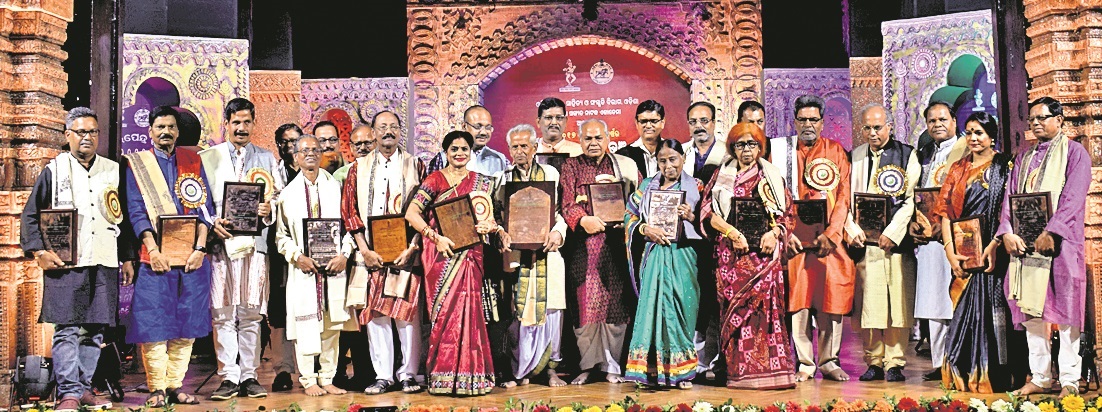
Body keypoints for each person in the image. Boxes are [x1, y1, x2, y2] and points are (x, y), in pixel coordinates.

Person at [20, 107, 133, 411]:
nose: (87, 137)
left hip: (104, 258)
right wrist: (39, 252)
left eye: (93, 132)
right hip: (66, 262)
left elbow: (125, 218)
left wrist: (128, 258)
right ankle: (68, 392)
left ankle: (83, 389)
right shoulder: (54, 170)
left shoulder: (112, 170)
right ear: (67, 135)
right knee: (67, 329)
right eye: (81, 132)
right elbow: (30, 215)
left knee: (95, 330)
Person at [122, 106, 214, 407]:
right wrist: (153, 250)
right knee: (154, 323)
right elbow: (136, 211)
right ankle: (157, 388)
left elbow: (205, 209)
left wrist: (200, 249)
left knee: (188, 323)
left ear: (177, 131)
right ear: (150, 131)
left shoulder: (192, 161)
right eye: (160, 127)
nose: (166, 132)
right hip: (155, 258)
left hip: (191, 259)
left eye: (171, 127)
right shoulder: (138, 165)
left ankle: (175, 384)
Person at [999, 97, 1090, 397]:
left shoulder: (1075, 153)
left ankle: (1070, 380)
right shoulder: (1023, 159)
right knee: (1031, 314)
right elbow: (1009, 200)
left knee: (1066, 313)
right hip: (1025, 248)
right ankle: (1040, 377)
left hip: (1061, 246)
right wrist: (1007, 232)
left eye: (1043, 117)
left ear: (1059, 120)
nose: (1036, 123)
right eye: (1032, 119)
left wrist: (1052, 232)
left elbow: (1073, 199)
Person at [700, 122, 796, 389]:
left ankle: (771, 373)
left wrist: (774, 234)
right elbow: (707, 212)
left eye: (752, 144)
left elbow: (788, 214)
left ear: (759, 147)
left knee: (764, 316)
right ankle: (737, 373)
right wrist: (732, 233)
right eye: (740, 145)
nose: (746, 150)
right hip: (731, 257)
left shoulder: (771, 175)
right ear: (732, 148)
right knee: (734, 315)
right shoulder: (721, 175)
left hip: (764, 258)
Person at [405, 130, 499, 396]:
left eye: (464, 149)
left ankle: (472, 377)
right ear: (445, 152)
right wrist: (435, 237)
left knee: (471, 313)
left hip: (471, 254)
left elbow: (490, 217)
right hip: (441, 254)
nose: (459, 153)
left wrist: (490, 226)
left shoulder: (481, 182)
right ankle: (442, 376)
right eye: (454, 149)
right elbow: (412, 213)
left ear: (471, 152)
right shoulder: (435, 179)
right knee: (445, 315)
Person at [768, 94, 855, 382]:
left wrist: (833, 233)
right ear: (794, 122)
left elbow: (844, 196)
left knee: (831, 299)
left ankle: (829, 361)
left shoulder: (835, 151)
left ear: (822, 122)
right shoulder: (781, 152)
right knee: (800, 302)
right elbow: (770, 195)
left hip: (829, 242)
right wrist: (785, 233)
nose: (808, 124)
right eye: (802, 119)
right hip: (795, 242)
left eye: (813, 120)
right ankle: (805, 363)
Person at [199, 98, 279, 400]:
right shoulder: (208, 157)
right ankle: (228, 377)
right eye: (236, 122)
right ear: (226, 124)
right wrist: (211, 223)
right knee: (222, 312)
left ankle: (249, 375)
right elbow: (199, 201)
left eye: (247, 122)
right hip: (222, 244)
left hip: (255, 245)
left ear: (254, 124)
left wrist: (268, 210)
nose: (241, 128)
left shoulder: (267, 158)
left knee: (250, 312)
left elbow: (278, 197)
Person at [341, 110, 425, 395]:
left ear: (400, 131)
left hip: (406, 252)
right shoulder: (358, 168)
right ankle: (383, 376)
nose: (388, 131)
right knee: (377, 316)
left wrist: (412, 246)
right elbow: (350, 211)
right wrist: (364, 250)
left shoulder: (416, 165)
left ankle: (408, 374)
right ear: (374, 133)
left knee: (406, 316)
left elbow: (426, 210)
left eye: (393, 126)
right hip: (372, 255)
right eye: (382, 127)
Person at [932, 112, 1015, 393]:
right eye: (969, 132)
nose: (973, 138)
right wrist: (949, 251)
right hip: (965, 253)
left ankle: (995, 375)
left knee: (994, 313)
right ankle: (963, 372)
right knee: (963, 315)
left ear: (991, 136)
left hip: (996, 253)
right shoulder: (958, 168)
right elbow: (946, 213)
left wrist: (996, 243)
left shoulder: (1005, 166)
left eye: (979, 132)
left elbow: (1008, 210)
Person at [273, 135, 357, 396]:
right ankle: (309, 380)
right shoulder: (287, 194)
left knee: (331, 327)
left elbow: (350, 226)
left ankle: (328, 377)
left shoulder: (336, 188)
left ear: (321, 154)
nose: (310, 154)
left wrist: (344, 254)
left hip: (333, 268)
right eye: (304, 150)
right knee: (306, 325)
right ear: (296, 156)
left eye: (315, 149)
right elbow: (281, 236)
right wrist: (297, 256)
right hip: (304, 270)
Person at [559, 119, 641, 385]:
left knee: (616, 308)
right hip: (583, 249)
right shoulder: (571, 166)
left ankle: (612, 366)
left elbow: (640, 198)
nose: (593, 143)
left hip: (615, 248)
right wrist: (583, 220)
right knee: (585, 309)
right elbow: (567, 202)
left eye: (598, 138)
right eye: (587, 138)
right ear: (580, 140)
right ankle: (588, 366)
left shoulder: (623, 166)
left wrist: (627, 218)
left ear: (607, 139)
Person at [844, 105, 919, 382]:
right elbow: (844, 200)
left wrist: (893, 232)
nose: (872, 133)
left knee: (898, 303)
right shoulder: (855, 157)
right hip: (865, 245)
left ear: (889, 126)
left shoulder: (908, 155)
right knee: (869, 303)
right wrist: (851, 229)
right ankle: (873, 361)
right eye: (867, 128)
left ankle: (895, 362)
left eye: (877, 127)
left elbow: (911, 199)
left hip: (896, 244)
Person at [492, 124, 569, 388]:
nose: (520, 151)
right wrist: (500, 232)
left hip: (548, 251)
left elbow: (560, 212)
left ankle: (550, 370)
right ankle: (520, 370)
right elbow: (496, 216)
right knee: (520, 312)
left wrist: (558, 232)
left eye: (524, 146)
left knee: (552, 310)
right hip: (517, 254)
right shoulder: (502, 179)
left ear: (535, 147)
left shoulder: (550, 174)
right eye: (514, 146)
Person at [623, 139, 702, 389]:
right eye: (662, 161)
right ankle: (650, 372)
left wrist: (691, 216)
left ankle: (682, 372)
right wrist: (645, 228)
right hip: (655, 254)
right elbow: (629, 215)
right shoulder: (647, 186)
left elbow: (709, 220)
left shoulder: (696, 186)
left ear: (683, 158)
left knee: (682, 309)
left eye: (673, 159)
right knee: (652, 309)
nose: (668, 166)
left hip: (683, 256)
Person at [910, 101, 968, 381]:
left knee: (956, 299)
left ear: (954, 121)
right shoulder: (924, 154)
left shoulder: (966, 149)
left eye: (942, 119)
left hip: (957, 238)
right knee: (934, 302)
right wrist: (915, 224)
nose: (937, 125)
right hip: (929, 241)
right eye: (932, 121)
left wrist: (944, 226)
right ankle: (940, 361)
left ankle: (961, 360)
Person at [268, 122, 302, 392]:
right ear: (278, 145)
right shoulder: (271, 173)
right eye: (284, 141)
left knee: (307, 306)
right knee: (279, 310)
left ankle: (311, 369)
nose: (290, 146)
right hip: (278, 251)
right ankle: (282, 369)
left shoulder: (316, 172)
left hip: (309, 250)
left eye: (295, 140)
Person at [427, 105, 509, 176]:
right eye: (477, 127)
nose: (483, 132)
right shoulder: (444, 158)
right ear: (464, 126)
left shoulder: (500, 159)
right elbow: (431, 186)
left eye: (488, 127)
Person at [617, 100, 666, 177]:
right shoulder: (623, 155)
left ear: (662, 122)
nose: (648, 126)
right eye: (643, 121)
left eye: (654, 121)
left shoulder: (673, 152)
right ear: (636, 123)